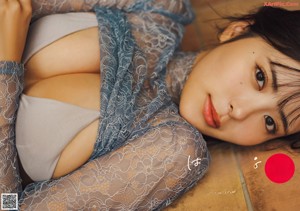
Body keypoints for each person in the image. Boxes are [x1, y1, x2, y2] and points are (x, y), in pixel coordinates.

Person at [0, 0, 299, 210]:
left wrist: (7, 68)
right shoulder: (158, 7)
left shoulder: (173, 150)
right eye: (260, 76)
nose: (241, 111)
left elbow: (11, 207)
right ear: (237, 30)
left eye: (270, 122)